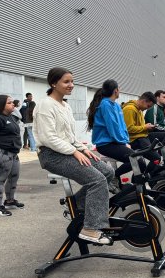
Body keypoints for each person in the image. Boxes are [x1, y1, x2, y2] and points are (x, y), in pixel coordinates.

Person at [33, 67, 115, 245]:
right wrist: (74, 152)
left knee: (108, 172)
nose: (71, 85)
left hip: (68, 150)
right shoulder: (45, 105)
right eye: (66, 81)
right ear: (53, 83)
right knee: (97, 180)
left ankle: (76, 204)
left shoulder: (66, 106)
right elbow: (48, 138)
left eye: (72, 81)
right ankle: (90, 229)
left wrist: (83, 149)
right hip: (51, 155)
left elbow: (70, 137)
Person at [87, 79, 140, 191]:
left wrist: (126, 141)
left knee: (139, 160)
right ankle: (112, 177)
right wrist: (123, 142)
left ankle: (135, 189)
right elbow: (113, 128)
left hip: (116, 142)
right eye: (119, 88)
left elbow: (122, 126)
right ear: (116, 90)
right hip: (105, 144)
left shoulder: (116, 105)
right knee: (136, 160)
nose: (119, 90)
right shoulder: (105, 105)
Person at [122, 92, 161, 169]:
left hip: (141, 137)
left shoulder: (139, 110)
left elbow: (140, 127)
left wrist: (147, 127)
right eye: (148, 106)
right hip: (134, 140)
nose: (147, 108)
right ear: (143, 101)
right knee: (156, 158)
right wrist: (145, 127)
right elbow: (128, 129)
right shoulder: (130, 109)